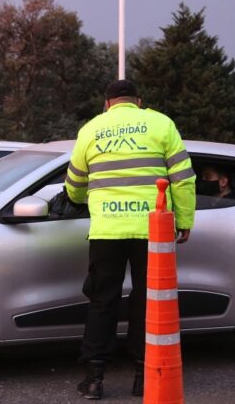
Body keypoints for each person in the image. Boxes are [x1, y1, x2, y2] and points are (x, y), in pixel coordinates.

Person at [65, 79, 196, 400]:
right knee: (148, 302)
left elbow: (74, 184)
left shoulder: (91, 129)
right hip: (152, 230)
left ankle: (94, 379)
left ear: (107, 103)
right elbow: (183, 178)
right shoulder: (161, 123)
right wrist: (184, 220)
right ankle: (144, 375)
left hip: (107, 230)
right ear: (139, 100)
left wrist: (83, 198)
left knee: (102, 300)